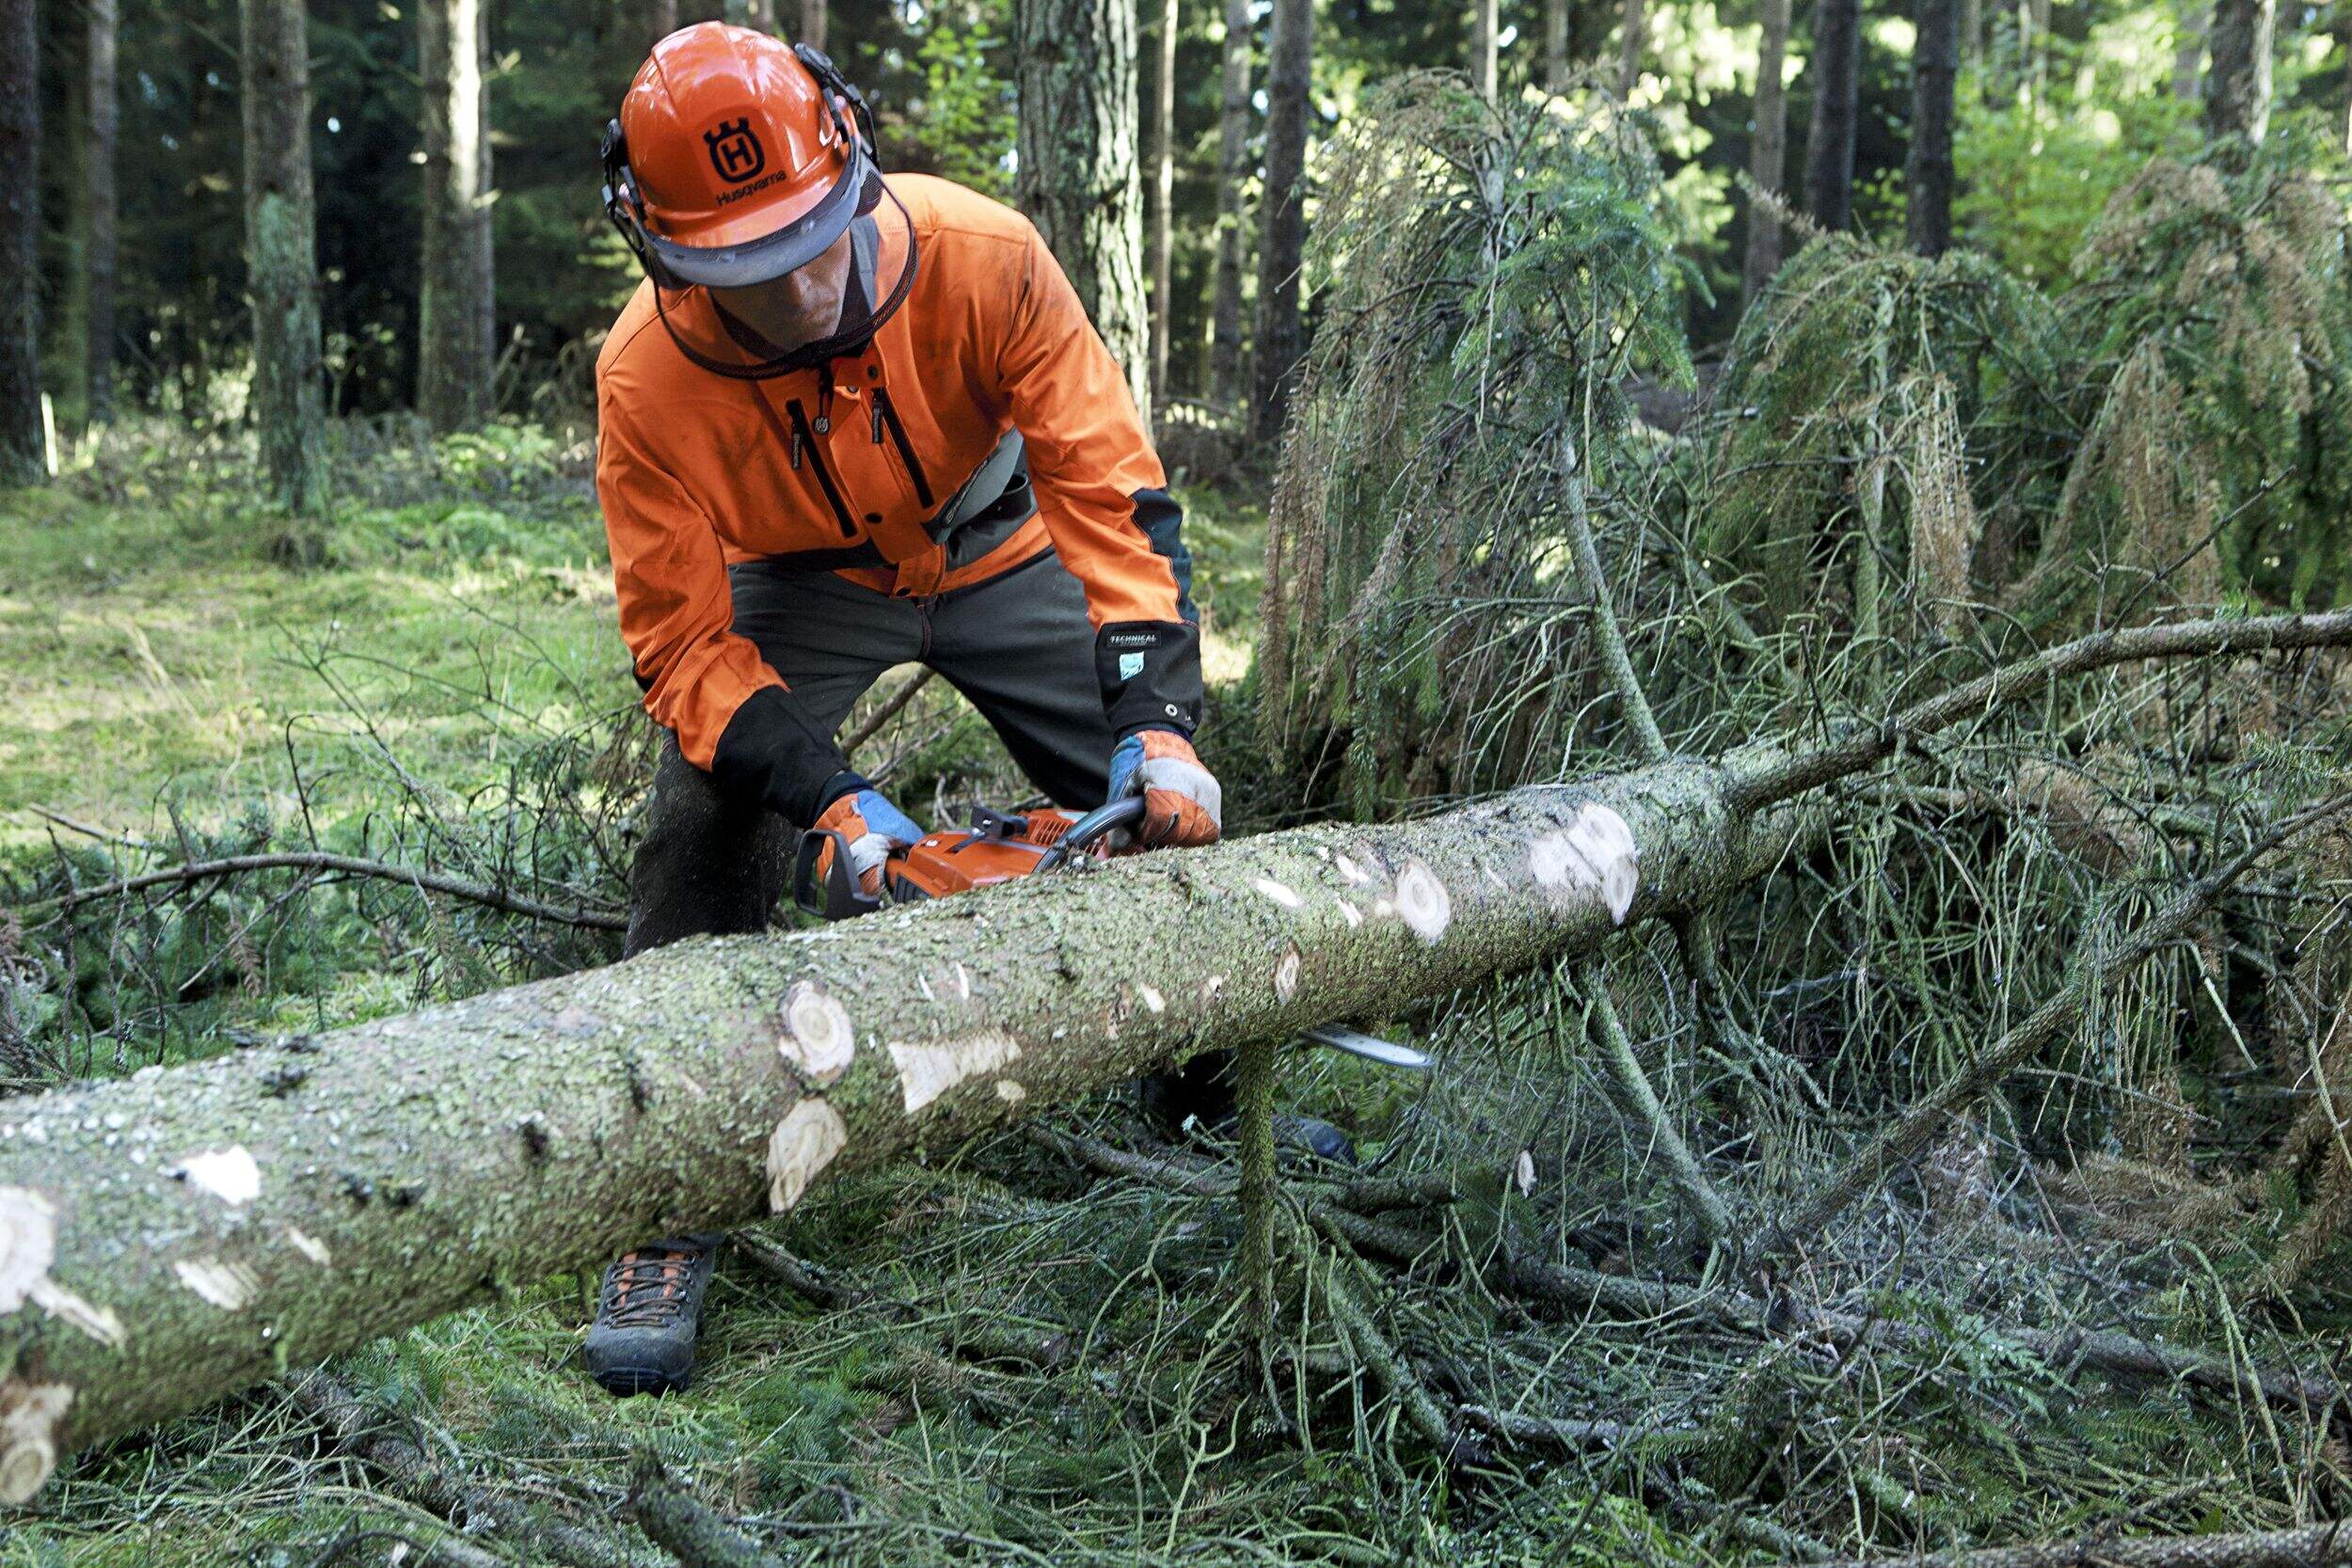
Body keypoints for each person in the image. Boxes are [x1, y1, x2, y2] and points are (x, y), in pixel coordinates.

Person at [581, 22, 1229, 1397]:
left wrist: (1155, 713)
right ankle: (665, 1202)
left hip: (999, 542)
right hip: (798, 581)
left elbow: (1110, 496)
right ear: (671, 253)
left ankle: (1212, 1094)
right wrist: (825, 795)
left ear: (851, 163)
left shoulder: (985, 256)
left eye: (812, 236)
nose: (801, 284)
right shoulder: (646, 379)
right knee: (702, 822)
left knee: (1152, 794)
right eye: (747, 269)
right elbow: (686, 645)